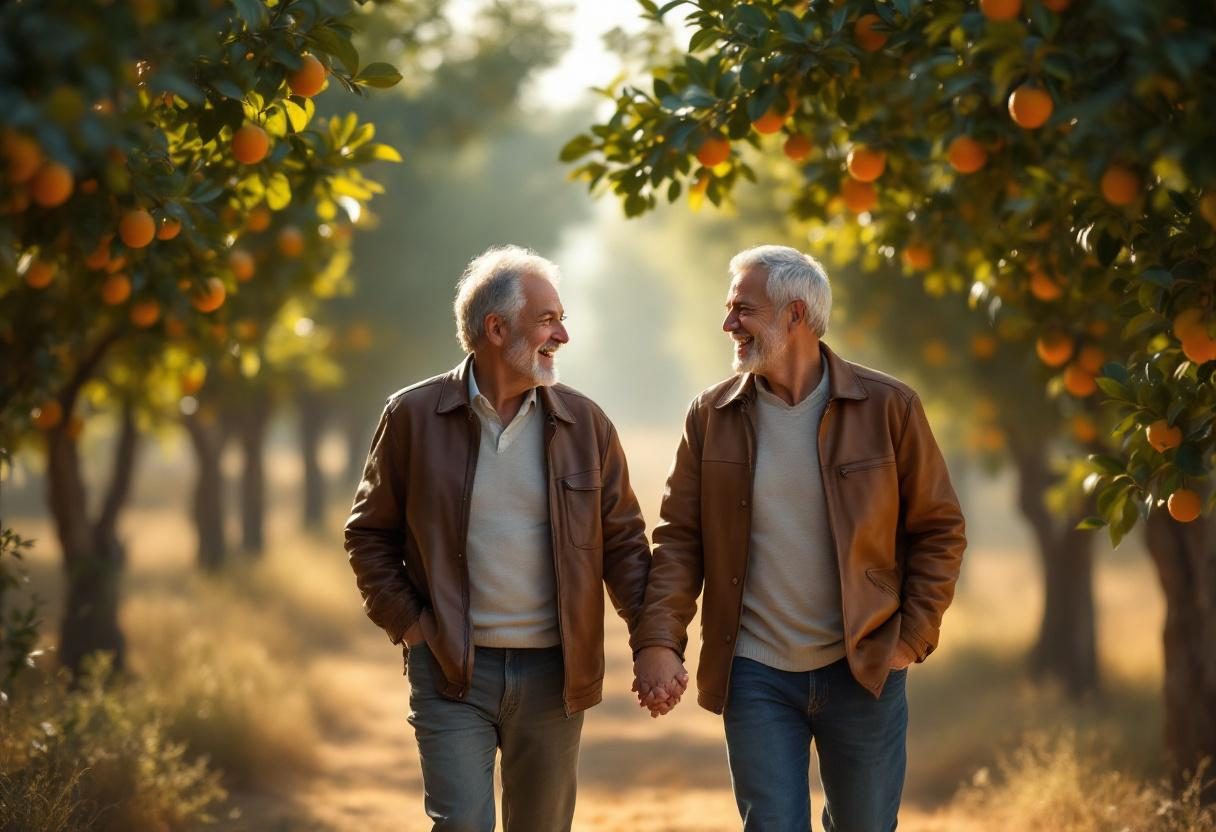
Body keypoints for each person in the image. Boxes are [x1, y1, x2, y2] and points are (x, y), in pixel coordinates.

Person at [630, 244, 966, 831]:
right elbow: (680, 539)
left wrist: (910, 639)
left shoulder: (889, 407)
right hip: (755, 671)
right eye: (728, 308)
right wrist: (660, 640)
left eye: (743, 309)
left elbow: (939, 530)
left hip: (864, 666)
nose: (728, 324)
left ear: (795, 315)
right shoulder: (711, 415)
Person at [345, 245, 666, 832]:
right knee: (460, 824)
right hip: (450, 668)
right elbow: (368, 534)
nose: (562, 334)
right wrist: (413, 626)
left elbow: (622, 546)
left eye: (561, 318)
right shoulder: (413, 416)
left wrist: (654, 643)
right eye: (548, 319)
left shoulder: (585, 424)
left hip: (554, 675)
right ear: (496, 328)